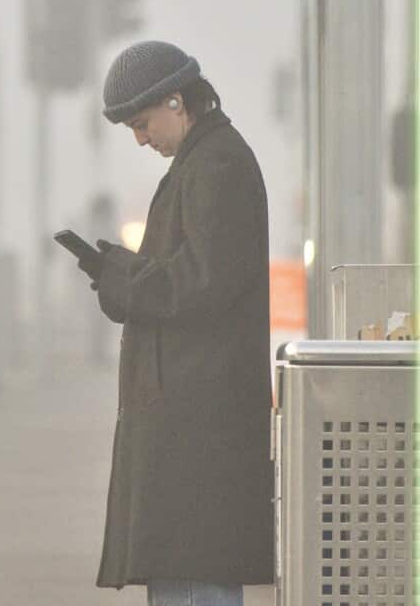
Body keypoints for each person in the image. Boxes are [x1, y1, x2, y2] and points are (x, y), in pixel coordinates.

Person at [76, 41, 274, 606]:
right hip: (191, 418)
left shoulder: (219, 165)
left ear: (175, 99)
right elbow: (190, 273)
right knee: (184, 577)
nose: (140, 139)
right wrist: (119, 271)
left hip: (198, 426)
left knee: (192, 580)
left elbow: (202, 280)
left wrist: (124, 279)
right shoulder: (205, 160)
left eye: (142, 123)